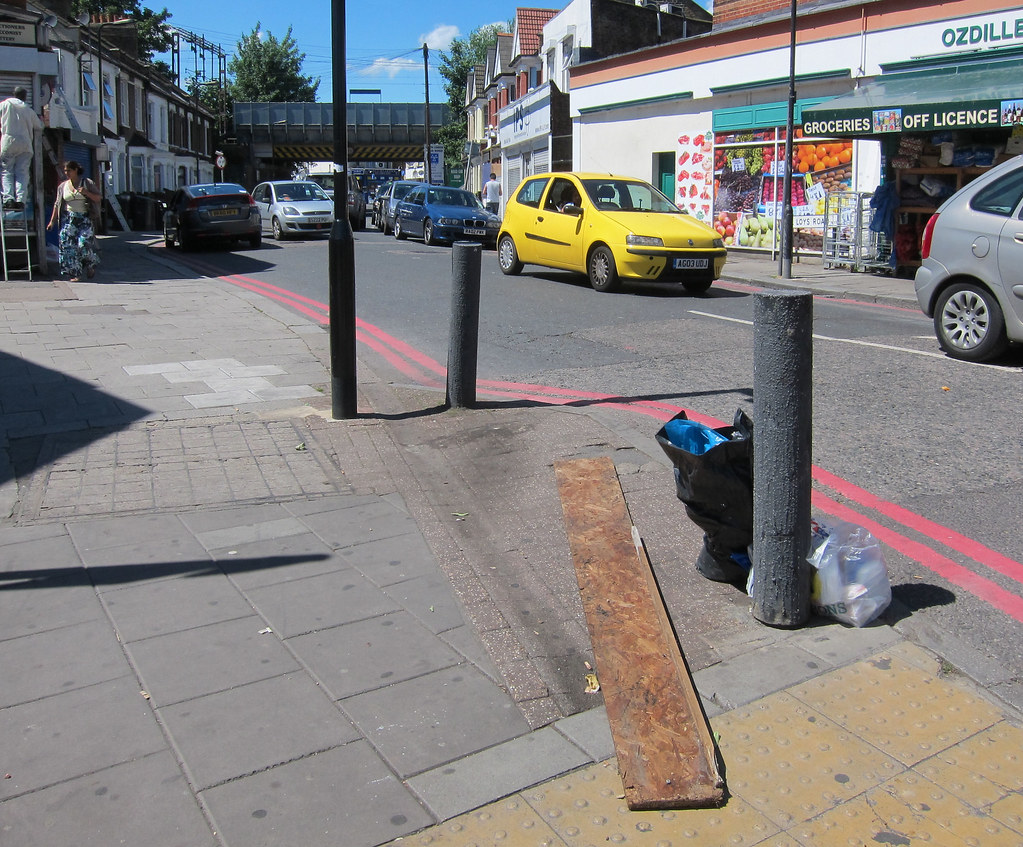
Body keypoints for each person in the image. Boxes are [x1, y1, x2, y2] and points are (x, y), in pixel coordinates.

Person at [46, 161, 101, 281]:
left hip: (84, 218)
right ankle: (75, 273)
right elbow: (57, 204)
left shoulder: (87, 183)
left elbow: (98, 198)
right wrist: (52, 222)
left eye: (69, 170)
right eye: (65, 171)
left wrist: (86, 193)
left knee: (83, 244)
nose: (67, 173)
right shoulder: (63, 186)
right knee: (67, 245)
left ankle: (91, 264)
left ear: (76, 170)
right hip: (69, 219)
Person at [0, 86, 43, 209]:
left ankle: (8, 199)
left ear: (14, 94)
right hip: (25, 143)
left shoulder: (5, 105)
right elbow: (39, 126)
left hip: (8, 142)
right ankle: (21, 200)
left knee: (7, 171)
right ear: (25, 97)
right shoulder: (29, 110)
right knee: (22, 172)